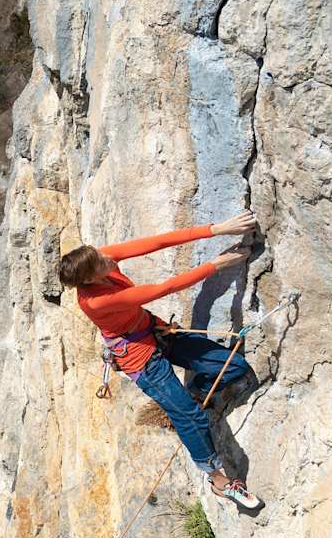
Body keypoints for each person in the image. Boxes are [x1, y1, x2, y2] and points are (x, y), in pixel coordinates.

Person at [56, 211, 261, 509]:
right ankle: (219, 482)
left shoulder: (98, 261)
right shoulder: (97, 300)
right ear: (89, 278)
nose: (109, 258)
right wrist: (214, 265)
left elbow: (157, 242)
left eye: (101, 255)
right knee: (191, 416)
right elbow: (162, 289)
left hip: (155, 330)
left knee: (233, 367)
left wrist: (218, 229)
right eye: (102, 262)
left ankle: (185, 402)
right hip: (142, 360)